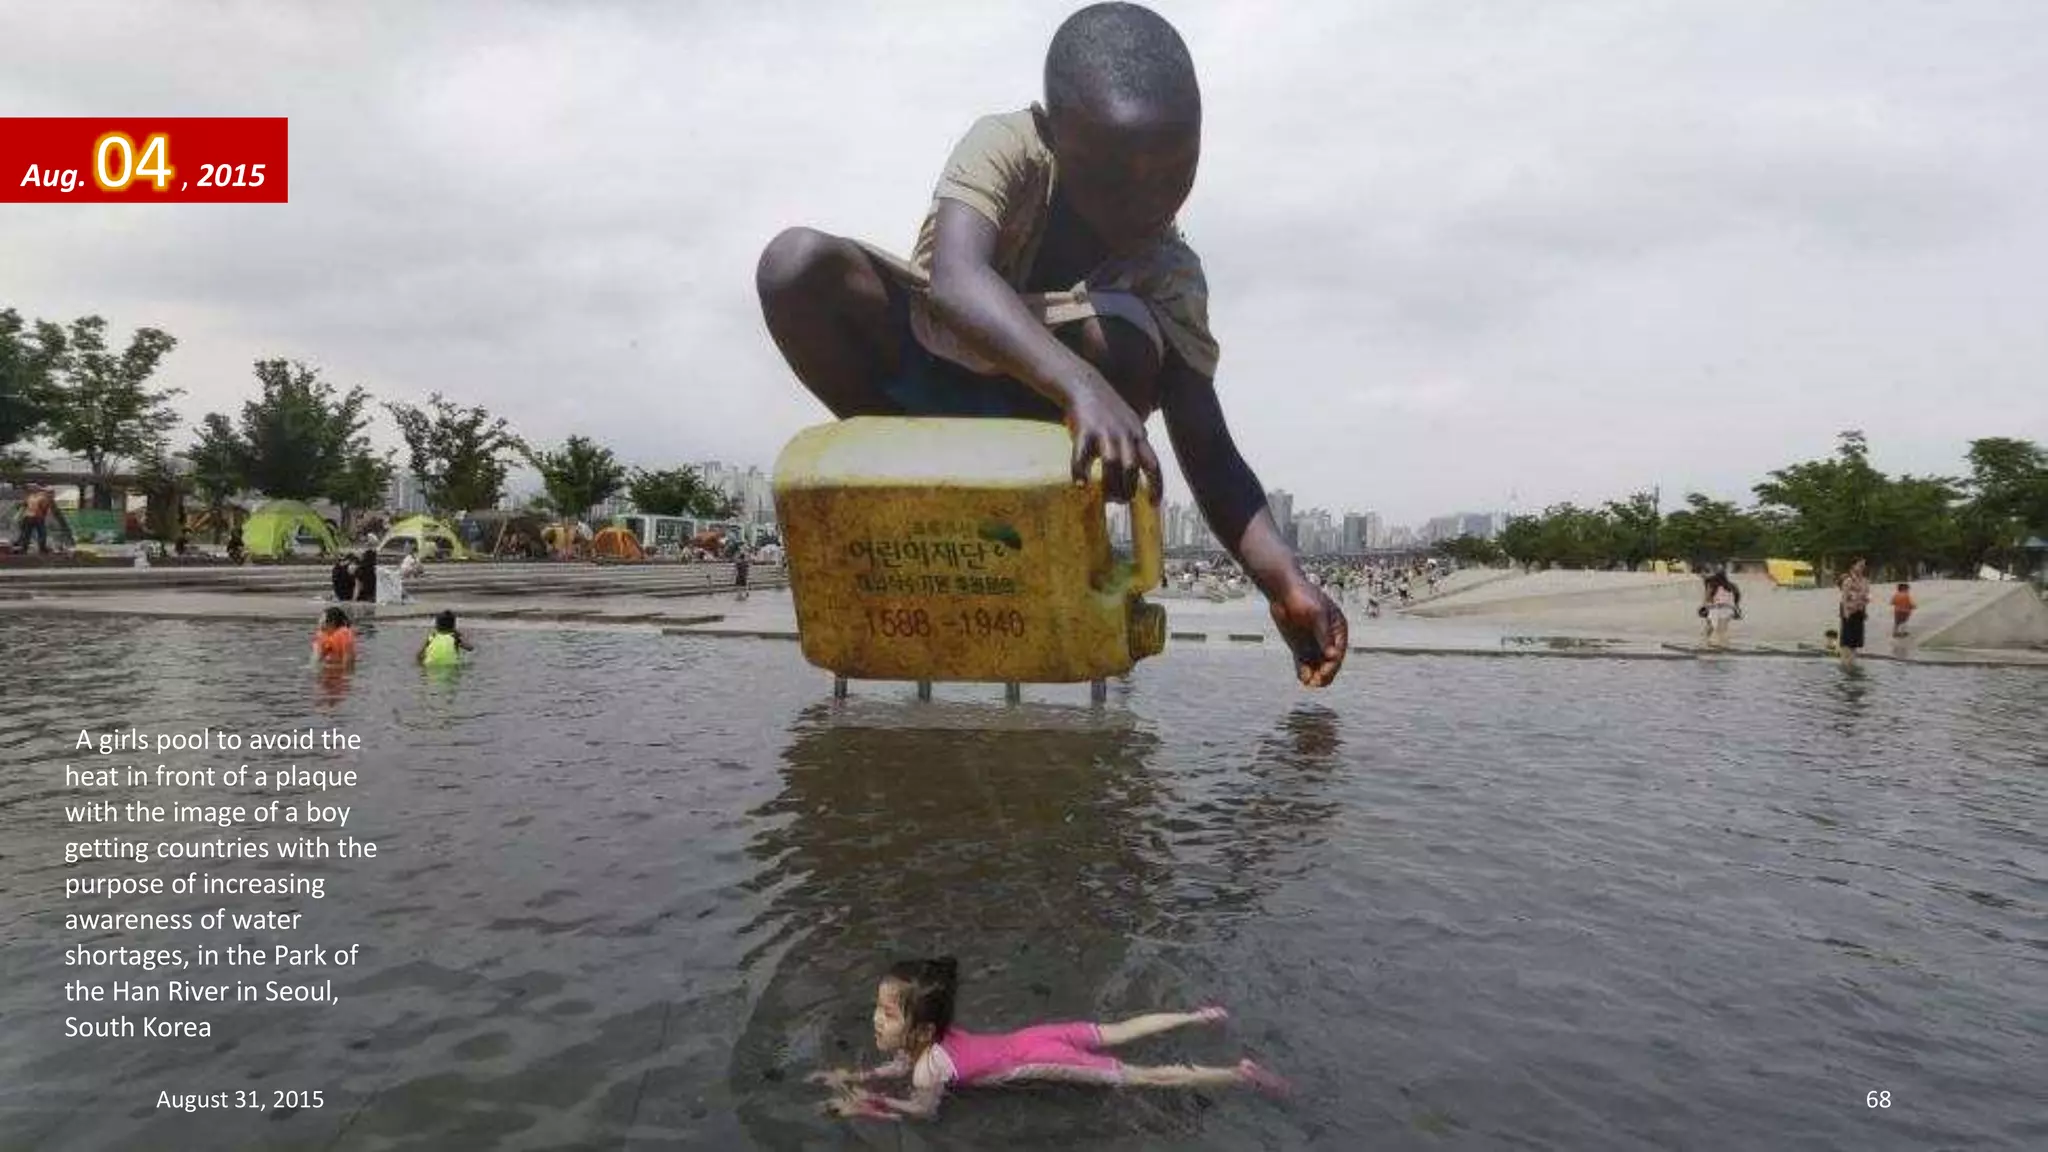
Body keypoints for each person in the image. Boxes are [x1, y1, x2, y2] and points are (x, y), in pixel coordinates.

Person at [755, 2, 1346, 688]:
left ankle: (1042, 510)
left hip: (1041, 440)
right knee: (794, 267)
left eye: (1174, 171)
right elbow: (954, 279)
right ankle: (899, 476)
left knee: (1124, 338)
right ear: (1054, 133)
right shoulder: (1009, 147)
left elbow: (1210, 455)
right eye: (1115, 175)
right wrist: (1081, 387)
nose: (1146, 199)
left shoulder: (1170, 276)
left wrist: (1286, 581)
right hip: (924, 384)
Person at [811, 957, 1286, 1121]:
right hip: (1037, 1035)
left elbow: (923, 1108)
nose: (875, 1019)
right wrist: (861, 1074)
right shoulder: (930, 1041)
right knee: (1118, 1030)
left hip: (1046, 1058)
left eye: (886, 1013)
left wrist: (870, 1103)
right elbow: (904, 1065)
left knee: (1140, 1077)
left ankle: (1235, 1073)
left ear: (920, 1030)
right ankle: (1198, 1016)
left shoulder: (928, 1066)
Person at [1836, 557, 1871, 667]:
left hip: (1859, 611)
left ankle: (1852, 663)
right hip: (1849, 611)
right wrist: (1846, 611)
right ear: (1853, 566)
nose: (1862, 567)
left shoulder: (1865, 581)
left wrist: (1865, 610)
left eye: (1863, 565)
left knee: (1856, 640)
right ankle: (1845, 663)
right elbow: (1844, 597)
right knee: (1847, 640)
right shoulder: (1848, 580)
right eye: (1860, 565)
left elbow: (1866, 597)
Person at [1699, 571, 1742, 650]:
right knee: (1722, 630)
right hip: (1728, 609)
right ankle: (1725, 645)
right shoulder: (1732, 586)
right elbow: (1737, 598)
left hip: (1715, 608)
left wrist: (1703, 607)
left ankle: (1705, 643)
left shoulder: (1712, 585)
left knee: (1709, 627)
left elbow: (1707, 598)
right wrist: (1736, 608)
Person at [12, 484, 53, 554]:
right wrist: (45, 514)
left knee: (26, 533)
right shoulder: (43, 497)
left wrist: (19, 515)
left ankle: (24, 548)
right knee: (42, 533)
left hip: (28, 516)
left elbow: (23, 505)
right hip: (38, 517)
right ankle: (42, 548)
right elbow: (44, 508)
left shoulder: (30, 497)